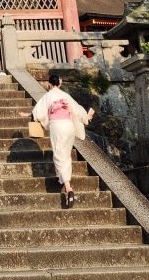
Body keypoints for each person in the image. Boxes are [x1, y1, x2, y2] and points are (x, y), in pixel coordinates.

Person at [32, 73, 94, 209]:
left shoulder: (47, 96)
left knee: (59, 155)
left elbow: (37, 113)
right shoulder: (65, 96)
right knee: (66, 154)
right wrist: (85, 117)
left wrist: (31, 115)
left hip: (57, 126)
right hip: (69, 125)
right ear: (59, 84)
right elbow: (77, 109)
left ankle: (68, 187)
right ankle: (63, 179)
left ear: (49, 84)